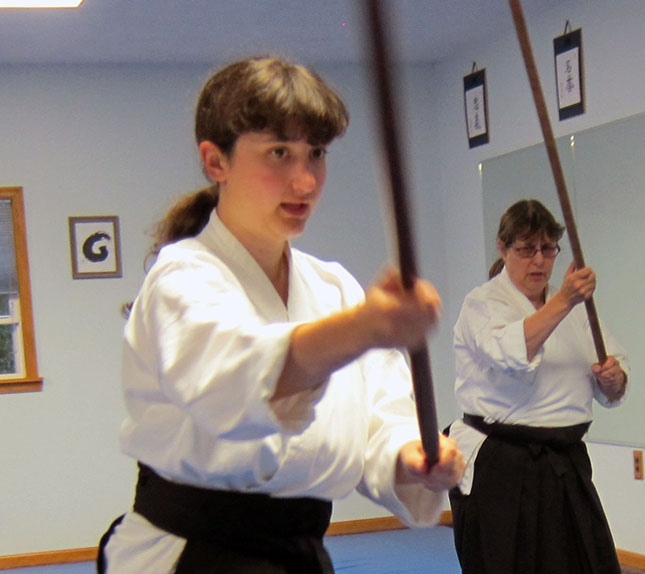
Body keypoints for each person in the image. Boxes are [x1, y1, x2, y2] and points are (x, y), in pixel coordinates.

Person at [98, 56, 464, 574]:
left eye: (316, 153)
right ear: (216, 161)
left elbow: (379, 417)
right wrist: (364, 328)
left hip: (299, 552)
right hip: (189, 553)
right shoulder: (181, 277)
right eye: (279, 153)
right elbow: (234, 381)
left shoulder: (333, 288)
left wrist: (410, 455)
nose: (306, 181)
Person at [447, 199, 629, 574]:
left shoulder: (577, 310)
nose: (539, 261)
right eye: (527, 249)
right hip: (502, 464)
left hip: (565, 462)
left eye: (547, 249)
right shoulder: (482, 304)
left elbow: (613, 376)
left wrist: (614, 378)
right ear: (503, 248)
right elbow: (512, 352)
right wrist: (564, 299)